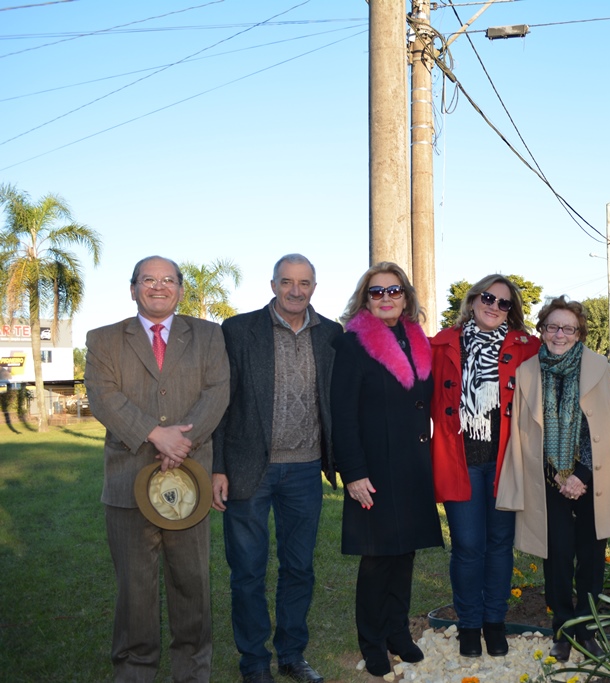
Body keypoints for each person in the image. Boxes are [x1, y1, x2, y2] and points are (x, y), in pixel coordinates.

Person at [84, 255, 230, 682]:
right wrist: (154, 434)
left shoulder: (208, 336)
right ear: (133, 289)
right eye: (149, 280)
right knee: (135, 589)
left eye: (168, 280)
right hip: (128, 481)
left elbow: (217, 392)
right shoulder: (104, 340)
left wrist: (180, 443)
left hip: (191, 483)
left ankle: (192, 671)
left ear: (181, 289)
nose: (159, 286)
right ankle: (134, 670)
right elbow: (103, 397)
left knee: (191, 585)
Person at [212, 254, 342, 683]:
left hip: (305, 471)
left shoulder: (331, 335)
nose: (295, 290)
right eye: (287, 281)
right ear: (272, 285)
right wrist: (218, 466)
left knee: (299, 568)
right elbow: (221, 405)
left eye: (304, 283)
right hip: (250, 469)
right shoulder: (239, 330)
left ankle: (291, 654)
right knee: (247, 571)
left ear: (314, 288)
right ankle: (253, 662)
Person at [496, 295, 610, 662]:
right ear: (542, 329)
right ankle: (562, 629)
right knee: (557, 559)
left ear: (579, 334)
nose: (559, 334)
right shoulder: (528, 371)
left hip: (594, 479)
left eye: (568, 328)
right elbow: (526, 435)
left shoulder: (600, 369)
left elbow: (607, 429)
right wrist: (558, 476)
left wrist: (578, 475)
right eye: (552, 327)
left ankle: (588, 629)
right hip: (547, 482)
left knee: (592, 559)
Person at [331, 262, 443, 677]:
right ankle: (372, 640)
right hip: (373, 467)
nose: (386, 298)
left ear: (406, 296)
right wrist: (354, 473)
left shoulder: (417, 340)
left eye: (393, 291)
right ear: (365, 299)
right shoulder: (352, 344)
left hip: (413, 463)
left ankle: (398, 631)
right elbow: (342, 415)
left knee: (405, 553)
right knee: (377, 558)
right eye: (376, 293)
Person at [429, 275, 540, 657]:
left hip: (504, 465)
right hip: (460, 460)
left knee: (499, 546)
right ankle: (468, 625)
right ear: (473, 300)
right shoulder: (443, 344)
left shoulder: (525, 347)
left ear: (512, 310)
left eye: (504, 303)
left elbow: (562, 358)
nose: (494, 306)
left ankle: (494, 623)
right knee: (467, 546)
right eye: (488, 298)